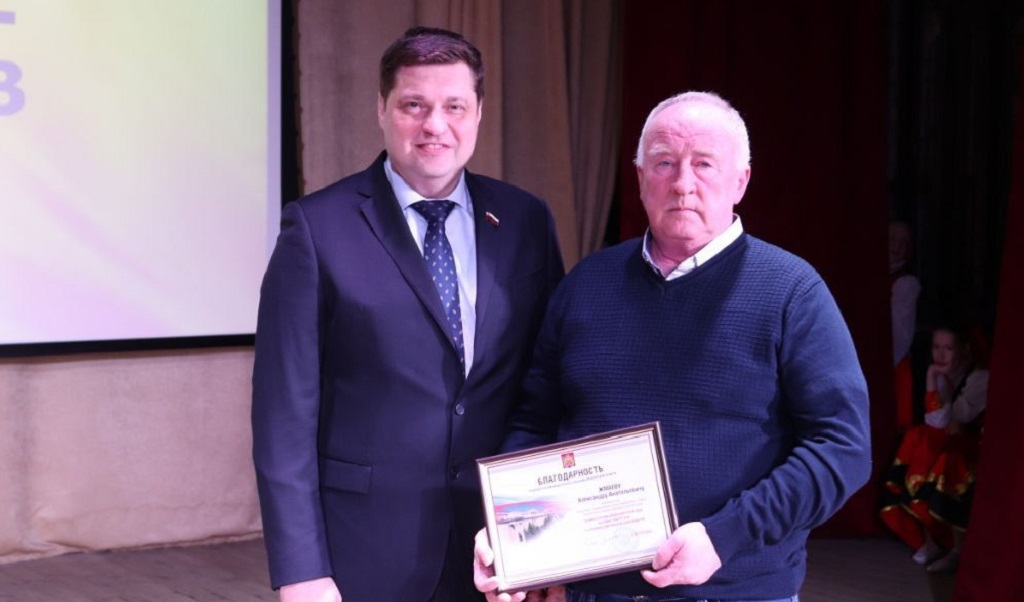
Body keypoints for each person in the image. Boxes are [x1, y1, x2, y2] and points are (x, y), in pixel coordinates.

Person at [474, 91, 872, 602]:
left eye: (704, 163)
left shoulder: (792, 291)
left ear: (741, 181)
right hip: (592, 592)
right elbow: (536, 422)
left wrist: (726, 536)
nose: (683, 183)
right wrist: (516, 542)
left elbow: (842, 449)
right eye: (664, 163)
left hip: (735, 591)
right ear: (641, 179)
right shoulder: (585, 285)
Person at [252, 26, 564, 602]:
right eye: (414, 105)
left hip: (498, 554)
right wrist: (300, 571)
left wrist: (547, 542)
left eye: (454, 107)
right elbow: (283, 418)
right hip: (363, 556)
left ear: (479, 112)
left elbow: (545, 388)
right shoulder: (317, 229)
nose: (434, 125)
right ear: (382, 108)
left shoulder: (525, 221)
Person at [879, 323, 989, 573]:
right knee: (916, 437)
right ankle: (928, 538)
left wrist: (931, 376)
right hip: (949, 440)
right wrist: (932, 376)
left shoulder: (979, 378)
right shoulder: (941, 373)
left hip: (973, 447)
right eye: (936, 347)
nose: (940, 355)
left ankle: (955, 548)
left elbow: (949, 419)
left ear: (964, 349)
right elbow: (939, 423)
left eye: (948, 348)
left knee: (938, 453)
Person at [889, 220, 921, 430]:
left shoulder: (906, 283)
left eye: (904, 242)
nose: (897, 246)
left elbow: (901, 334)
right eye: (893, 238)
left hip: (894, 365)